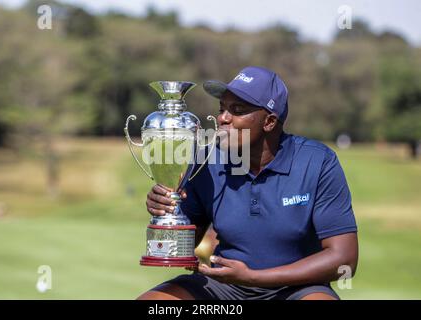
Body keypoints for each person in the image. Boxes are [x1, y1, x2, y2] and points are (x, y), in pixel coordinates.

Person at [138, 66, 358, 300]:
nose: (223, 118)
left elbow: (344, 260)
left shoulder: (317, 162)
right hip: (223, 289)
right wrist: (166, 209)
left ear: (269, 122)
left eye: (237, 110)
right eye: (222, 109)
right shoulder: (206, 161)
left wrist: (254, 277)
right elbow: (183, 244)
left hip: (297, 289)